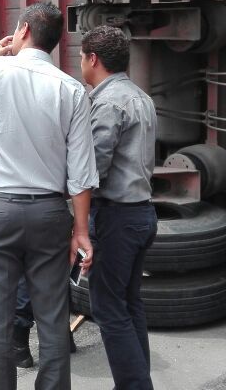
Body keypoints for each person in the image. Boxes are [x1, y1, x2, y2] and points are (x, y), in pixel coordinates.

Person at [0, 3, 98, 390]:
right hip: (50, 213)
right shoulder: (72, 89)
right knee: (52, 316)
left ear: (23, 30)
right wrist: (81, 230)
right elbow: (81, 173)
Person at [79, 26, 158, 390]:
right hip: (141, 213)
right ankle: (138, 381)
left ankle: (134, 386)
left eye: (82, 57)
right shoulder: (140, 96)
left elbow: (95, 168)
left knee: (109, 310)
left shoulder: (109, 102)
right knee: (128, 303)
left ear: (92, 58)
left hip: (117, 218)